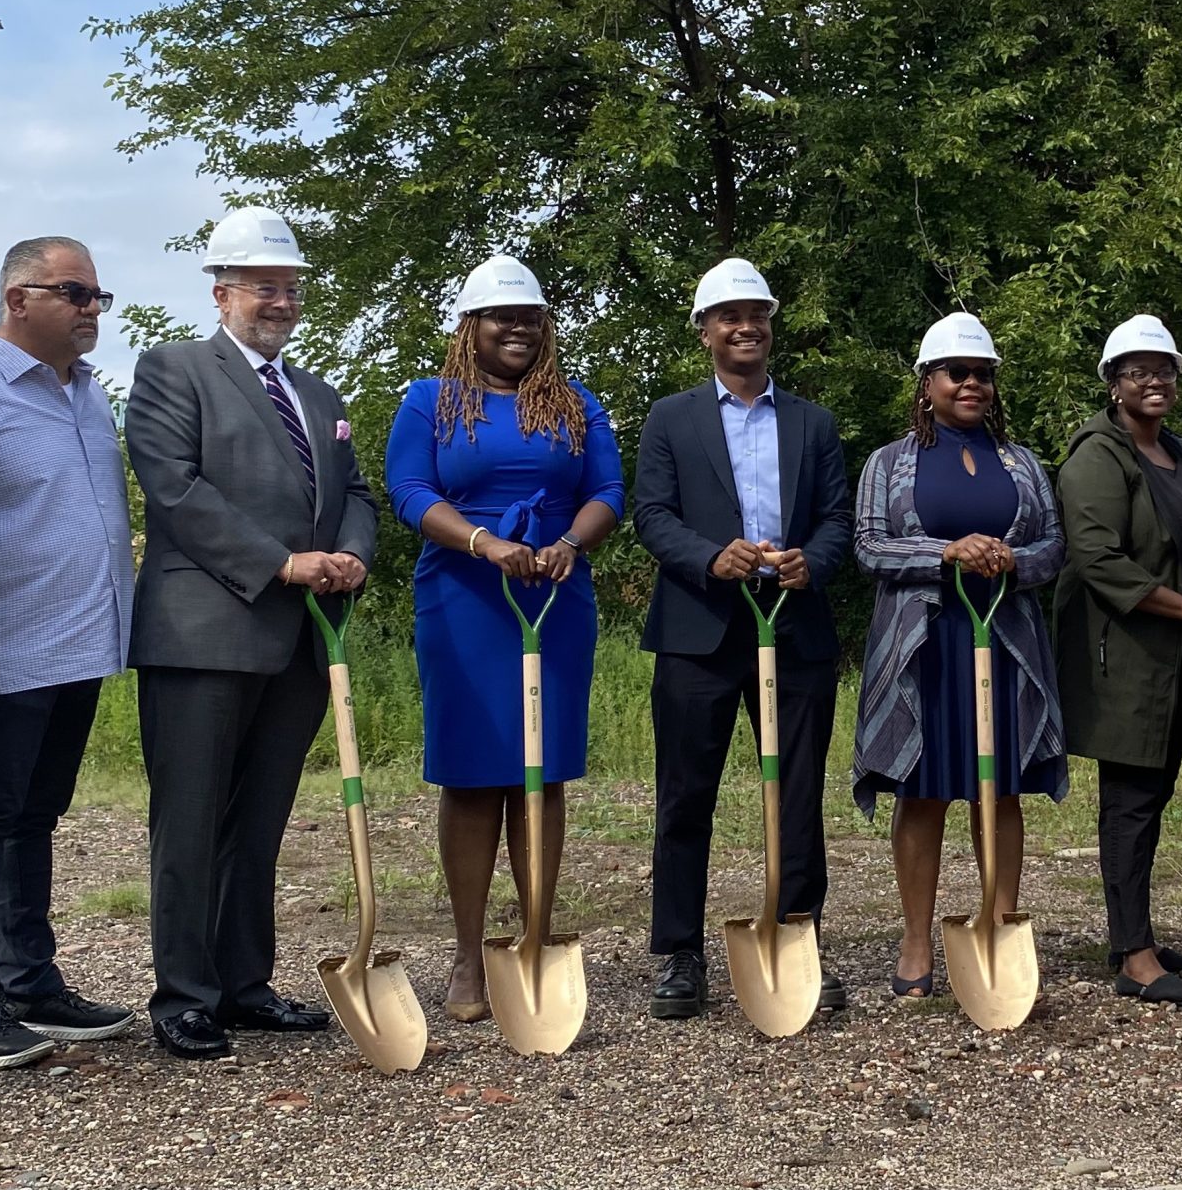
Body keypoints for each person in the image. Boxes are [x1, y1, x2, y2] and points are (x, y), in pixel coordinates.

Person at [124, 206, 379, 1060]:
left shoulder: (320, 394)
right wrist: (281, 563)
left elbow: (356, 496)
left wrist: (347, 554)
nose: (281, 301)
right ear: (222, 290)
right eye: (265, 285)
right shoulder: (172, 370)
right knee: (191, 820)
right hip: (204, 631)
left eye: (291, 287)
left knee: (261, 819)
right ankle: (184, 996)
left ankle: (245, 985)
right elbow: (177, 490)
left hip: (301, 640)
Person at [382, 255, 624, 1023]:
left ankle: (536, 937)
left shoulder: (577, 404)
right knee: (471, 769)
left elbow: (609, 491)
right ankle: (466, 950)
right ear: (471, 327)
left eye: (530, 317)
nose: (518, 328)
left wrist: (571, 545)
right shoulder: (431, 401)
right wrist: (484, 542)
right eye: (502, 317)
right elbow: (410, 490)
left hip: (553, 597)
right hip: (463, 596)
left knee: (541, 769)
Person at [0, 238, 138, 1074]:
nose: (92, 309)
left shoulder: (87, 395)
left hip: (82, 644)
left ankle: (29, 982)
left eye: (97, 295)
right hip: (3, 645)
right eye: (76, 293)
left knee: (35, 817)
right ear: (19, 298)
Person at [630, 257, 855, 1020]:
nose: (745, 326)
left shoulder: (812, 422)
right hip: (699, 629)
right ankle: (679, 954)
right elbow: (652, 515)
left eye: (757, 314)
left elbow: (836, 522)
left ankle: (796, 938)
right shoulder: (671, 418)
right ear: (705, 332)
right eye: (729, 316)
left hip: (793, 629)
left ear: (770, 326)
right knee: (685, 796)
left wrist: (810, 563)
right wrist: (707, 556)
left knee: (795, 796)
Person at [851, 313, 1068, 998]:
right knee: (924, 791)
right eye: (957, 373)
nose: (971, 384)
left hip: (1002, 639)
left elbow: (1055, 548)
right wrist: (945, 550)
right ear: (927, 383)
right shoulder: (888, 463)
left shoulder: (1023, 462)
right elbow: (869, 546)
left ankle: (998, 927)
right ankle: (917, 943)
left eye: (982, 374)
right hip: (926, 645)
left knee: (1000, 788)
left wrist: (1011, 557)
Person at [1054, 314, 1182, 1008]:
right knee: (1130, 801)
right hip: (1128, 653)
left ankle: (1135, 934)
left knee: (1155, 791)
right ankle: (1133, 957)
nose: (1154, 380)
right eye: (1137, 370)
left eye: (1164, 368)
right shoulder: (1097, 457)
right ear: (1114, 384)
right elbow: (1098, 558)